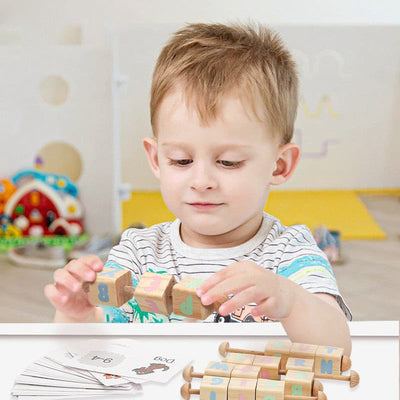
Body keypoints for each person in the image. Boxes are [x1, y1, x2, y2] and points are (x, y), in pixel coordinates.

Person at [44, 22, 351, 354]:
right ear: (157, 158)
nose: (202, 181)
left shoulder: (290, 254)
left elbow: (338, 345)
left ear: (280, 165)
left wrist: (290, 301)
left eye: (229, 162)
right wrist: (76, 316)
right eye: (180, 160)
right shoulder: (138, 254)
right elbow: (89, 354)